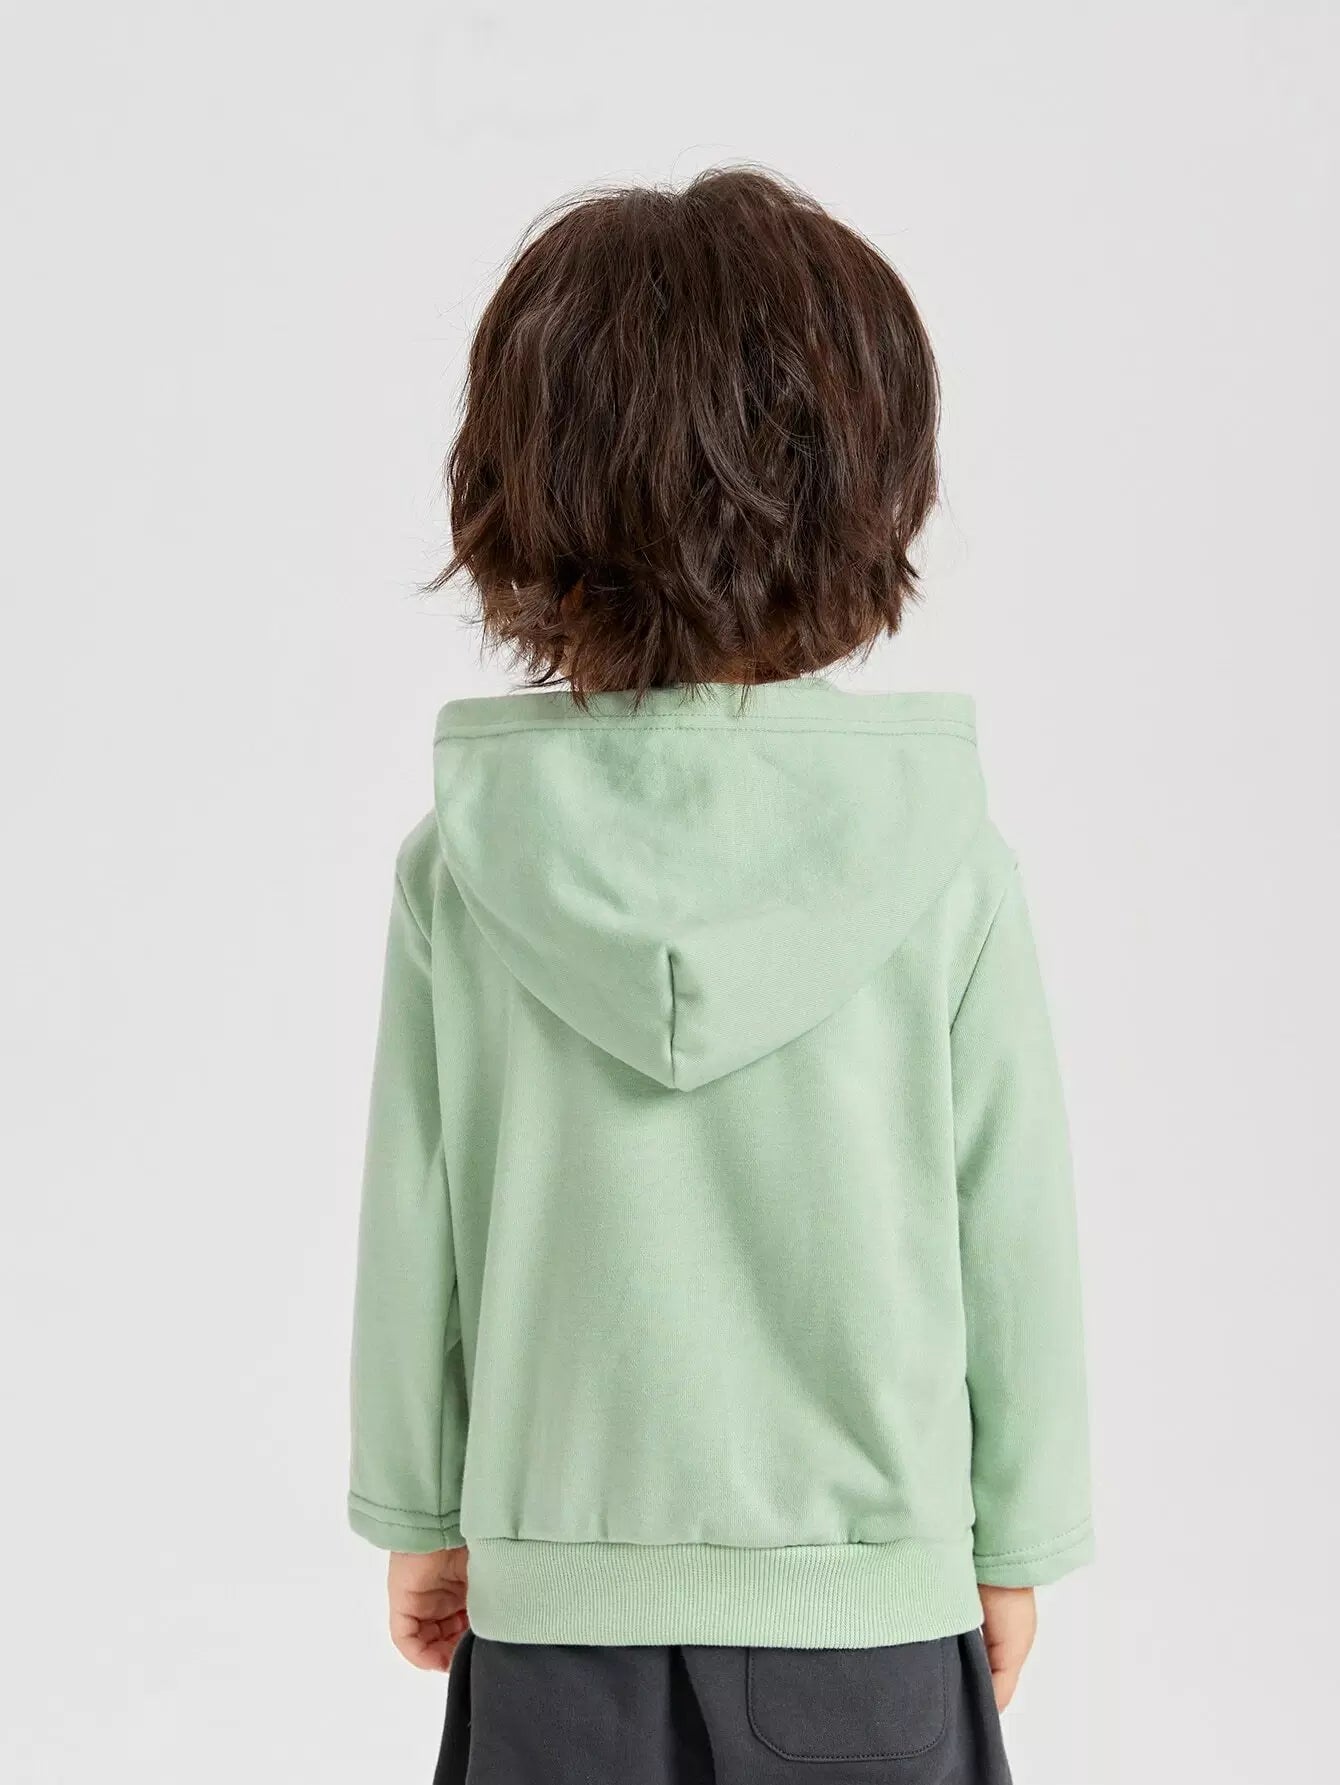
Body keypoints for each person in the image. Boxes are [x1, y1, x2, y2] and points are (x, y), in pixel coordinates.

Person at [349, 168, 1091, 1784]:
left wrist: (419, 1505)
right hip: (870, 1601)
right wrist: (1015, 1533)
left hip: (555, 1594)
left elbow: (420, 1213)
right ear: (867, 487)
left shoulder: (467, 865)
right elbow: (1012, 1226)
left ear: (522, 493)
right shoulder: (944, 857)